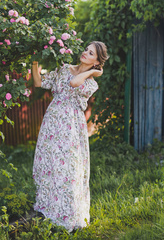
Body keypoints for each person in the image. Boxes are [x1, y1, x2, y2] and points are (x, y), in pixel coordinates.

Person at [31, 41, 108, 232]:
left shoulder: (91, 83)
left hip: (72, 127)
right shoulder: (63, 68)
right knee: (50, 164)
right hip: (52, 122)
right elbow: (39, 83)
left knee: (70, 168)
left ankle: (69, 216)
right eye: (86, 50)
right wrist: (33, 63)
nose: (85, 53)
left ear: (97, 62)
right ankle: (49, 210)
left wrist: (91, 72)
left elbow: (74, 83)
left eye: (91, 53)